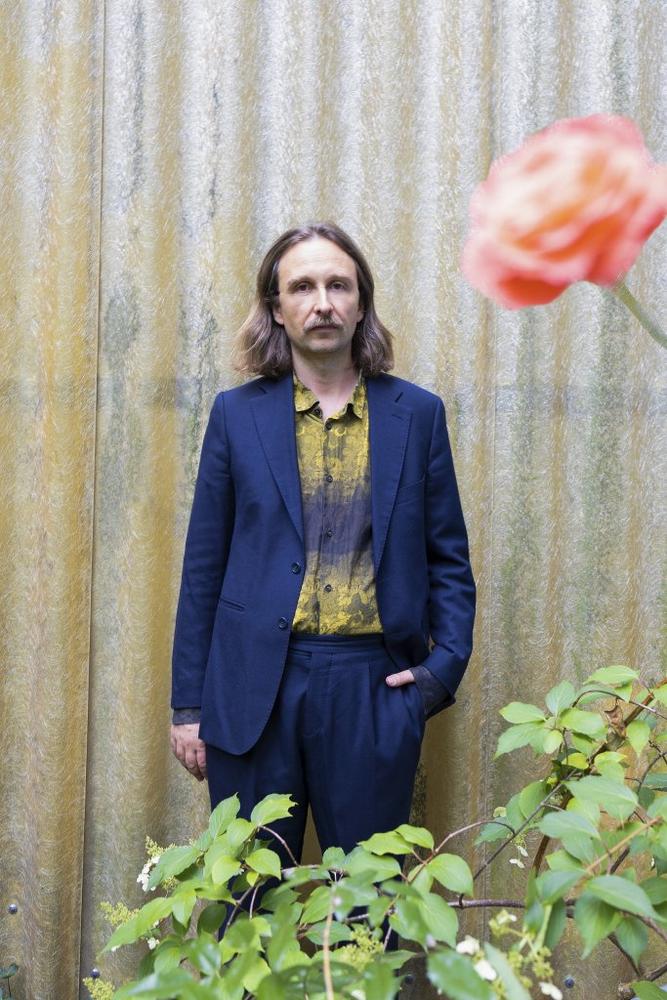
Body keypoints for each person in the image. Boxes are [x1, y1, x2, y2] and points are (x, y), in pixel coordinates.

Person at [170, 221, 475, 868]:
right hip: (253, 686)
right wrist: (189, 706)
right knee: (249, 891)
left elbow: (447, 557)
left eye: (339, 286)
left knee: (367, 895)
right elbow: (204, 568)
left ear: (361, 303)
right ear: (277, 309)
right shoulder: (236, 415)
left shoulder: (416, 415)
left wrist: (439, 673)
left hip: (372, 685)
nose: (322, 303)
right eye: (302, 287)